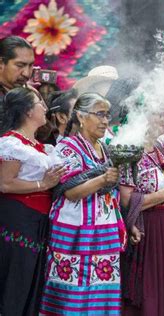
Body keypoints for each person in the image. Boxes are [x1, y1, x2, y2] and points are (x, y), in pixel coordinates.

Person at [40, 93, 126, 315]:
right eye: (99, 114)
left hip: (103, 232)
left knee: (102, 292)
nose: (105, 121)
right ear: (80, 116)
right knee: (72, 296)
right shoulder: (67, 148)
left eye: (107, 115)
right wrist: (102, 179)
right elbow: (71, 192)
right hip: (75, 234)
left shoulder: (105, 149)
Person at [0, 87, 65, 315]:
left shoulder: (39, 146)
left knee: (31, 279)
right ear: (28, 111)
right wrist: (43, 185)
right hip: (18, 218)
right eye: (40, 103)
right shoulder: (12, 144)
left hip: (37, 221)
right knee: (16, 279)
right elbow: (5, 184)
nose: (45, 108)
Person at [119, 113, 164, 315]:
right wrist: (160, 197)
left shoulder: (160, 149)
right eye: (158, 113)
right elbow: (125, 201)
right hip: (149, 230)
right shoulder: (129, 152)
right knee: (151, 290)